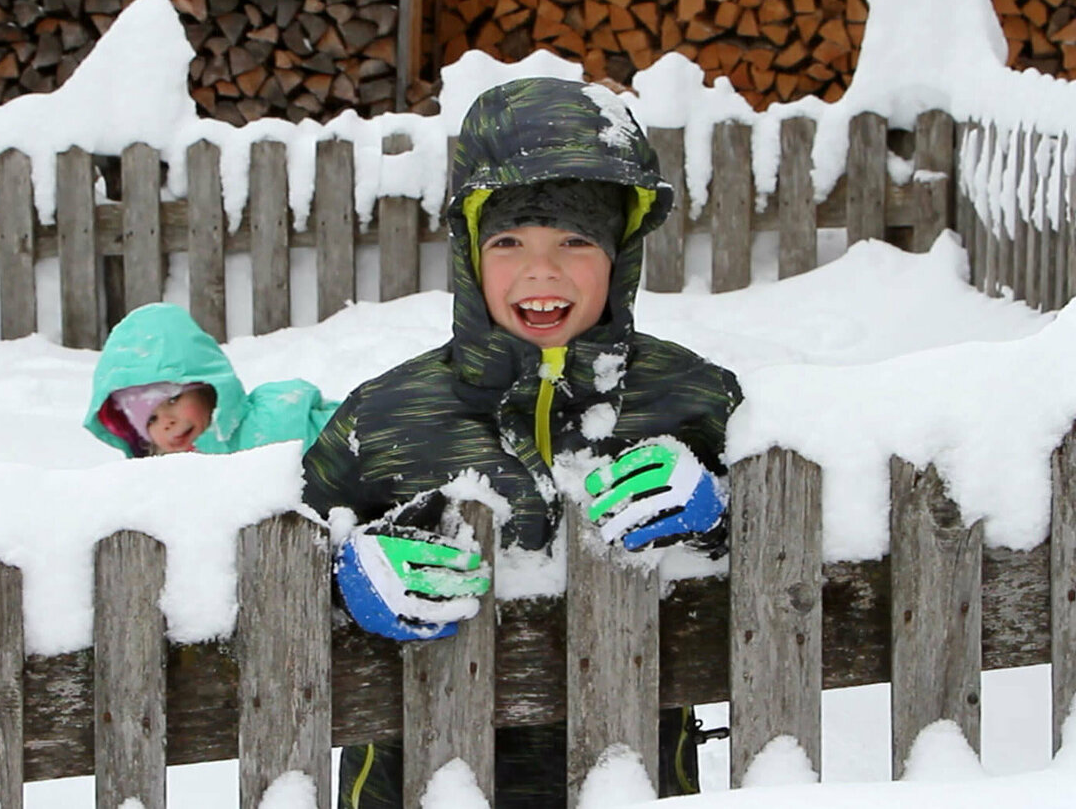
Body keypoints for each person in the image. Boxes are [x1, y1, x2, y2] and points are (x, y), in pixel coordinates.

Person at [302, 76, 743, 807]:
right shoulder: (384, 416)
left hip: (631, 778)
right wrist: (344, 578)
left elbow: (811, 553)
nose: (543, 271)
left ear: (621, 254)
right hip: (417, 785)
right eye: (509, 240)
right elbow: (268, 561)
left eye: (576, 240)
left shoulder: (692, 398)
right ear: (471, 252)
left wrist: (723, 512)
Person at [85, 302, 339, 458]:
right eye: (150, 419)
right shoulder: (162, 479)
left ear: (207, 388)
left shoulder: (272, 421)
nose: (167, 422)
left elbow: (350, 431)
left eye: (173, 399)